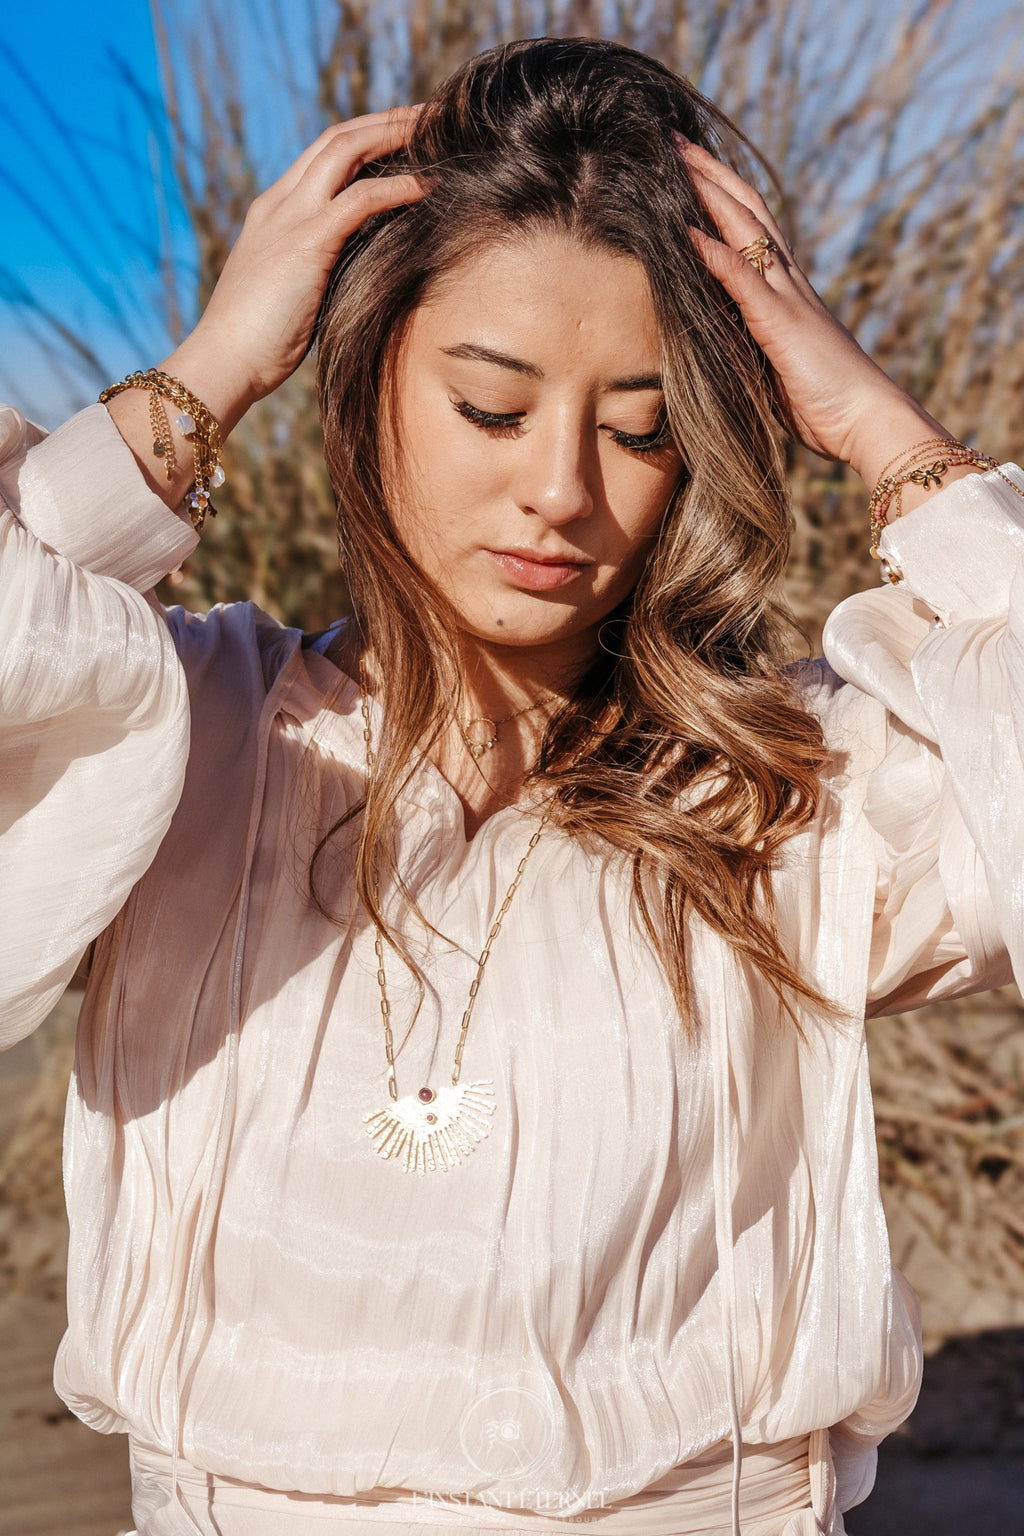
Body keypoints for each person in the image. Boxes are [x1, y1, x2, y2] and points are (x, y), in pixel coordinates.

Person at [1, 33, 1022, 1536]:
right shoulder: (175, 740)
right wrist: (206, 376)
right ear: (364, 384)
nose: (561, 489)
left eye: (640, 428)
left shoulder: (797, 793)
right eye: (490, 407)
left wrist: (883, 430)